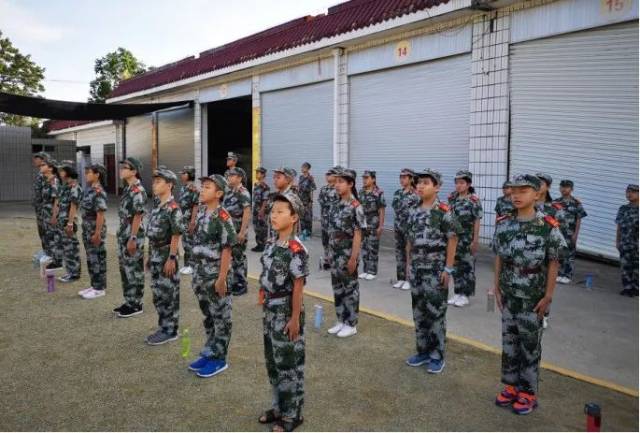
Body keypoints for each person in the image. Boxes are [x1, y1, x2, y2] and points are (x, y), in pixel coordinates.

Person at [493, 174, 566, 415]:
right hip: (510, 292)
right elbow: (500, 257)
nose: (516, 195)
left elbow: (554, 263)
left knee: (530, 345)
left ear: (537, 194)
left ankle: (528, 392)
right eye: (513, 190)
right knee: (510, 342)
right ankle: (512, 386)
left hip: (533, 296)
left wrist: (548, 296)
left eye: (523, 191)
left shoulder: (547, 225)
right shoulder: (504, 223)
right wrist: (497, 288)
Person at [257, 193, 308, 432]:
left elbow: (298, 287)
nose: (273, 215)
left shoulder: (296, 250)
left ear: (294, 216)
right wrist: (261, 293)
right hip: (270, 312)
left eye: (280, 211)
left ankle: (292, 414)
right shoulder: (271, 244)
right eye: (272, 211)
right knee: (273, 363)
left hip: (286, 313)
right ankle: (278, 407)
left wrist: (295, 318)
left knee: (290, 366)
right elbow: (266, 273)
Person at [405, 169, 460, 374]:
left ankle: (437, 355)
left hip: (436, 270)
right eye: (418, 183)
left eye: (426, 183)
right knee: (419, 311)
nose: (420, 186)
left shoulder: (444, 211)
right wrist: (409, 264)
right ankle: (423, 351)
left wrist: (448, 268)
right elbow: (410, 240)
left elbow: (453, 239)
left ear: (437, 187)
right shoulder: (414, 210)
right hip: (417, 268)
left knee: (435, 313)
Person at [187, 174, 236, 378]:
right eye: (202, 187)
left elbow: (227, 249)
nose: (202, 190)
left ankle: (219, 358)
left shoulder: (223, 217)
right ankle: (210, 350)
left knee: (221, 317)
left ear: (219, 194)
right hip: (200, 274)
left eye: (207, 187)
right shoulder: (201, 213)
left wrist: (222, 278)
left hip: (216, 275)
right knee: (208, 316)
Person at [145, 168, 184, 345]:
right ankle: (163, 326)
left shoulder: (172, 208)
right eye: (154, 182)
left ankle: (171, 330)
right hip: (155, 254)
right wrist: (149, 255)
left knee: (168, 294)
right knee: (158, 294)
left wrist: (172, 258)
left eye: (159, 182)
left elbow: (176, 235)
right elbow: (152, 235)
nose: (155, 184)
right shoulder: (157, 206)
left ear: (169, 185)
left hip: (166, 256)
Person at [326, 168, 366, 338]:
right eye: (336, 182)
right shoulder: (335, 204)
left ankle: (351, 323)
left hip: (347, 253)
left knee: (350, 288)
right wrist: (329, 252)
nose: (337, 185)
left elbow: (358, 233)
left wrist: (354, 258)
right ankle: (341, 319)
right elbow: (332, 230)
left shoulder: (355, 206)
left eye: (341, 182)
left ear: (350, 184)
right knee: (337, 287)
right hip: (335, 253)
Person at [114, 157, 148, 318]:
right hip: (124, 232)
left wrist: (133, 238)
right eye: (121, 167)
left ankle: (136, 304)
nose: (121, 170)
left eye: (125, 168)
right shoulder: (128, 188)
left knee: (134, 269)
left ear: (134, 171)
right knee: (125, 269)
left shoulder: (137, 190)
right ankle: (129, 300)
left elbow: (137, 216)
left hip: (132, 233)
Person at [447, 170, 483, 308]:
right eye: (456, 183)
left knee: (467, 266)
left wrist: (475, 240)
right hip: (454, 238)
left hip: (467, 238)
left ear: (468, 184)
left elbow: (477, 221)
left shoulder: (473, 200)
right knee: (455, 265)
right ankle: (457, 292)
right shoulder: (452, 198)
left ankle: (466, 295)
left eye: (461, 183)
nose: (458, 186)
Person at [534, 173, 565, 328]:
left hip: (548, 253)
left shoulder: (555, 209)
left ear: (548, 187)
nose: (538, 186)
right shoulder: (528, 205)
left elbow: (561, 233)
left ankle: (545, 313)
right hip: (529, 251)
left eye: (541, 183)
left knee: (547, 282)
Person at [78, 163, 108, 300]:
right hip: (87, 227)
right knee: (91, 258)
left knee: (97, 258)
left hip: (94, 228)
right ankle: (94, 284)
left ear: (97, 175)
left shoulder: (98, 192)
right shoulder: (89, 189)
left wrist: (97, 233)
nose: (86, 174)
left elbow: (100, 214)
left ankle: (99, 288)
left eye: (89, 172)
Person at [223, 167, 251, 296]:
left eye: (232, 175)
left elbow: (246, 212)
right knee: (232, 257)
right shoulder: (229, 191)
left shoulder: (242, 192)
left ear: (239, 178)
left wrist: (242, 232)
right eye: (229, 175)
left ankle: (241, 284)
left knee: (238, 258)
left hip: (238, 230)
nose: (229, 177)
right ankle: (234, 281)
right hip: (229, 230)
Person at [553, 180, 587, 284]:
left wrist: (576, 234)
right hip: (558, 232)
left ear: (571, 189)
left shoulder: (576, 203)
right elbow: (551, 217)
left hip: (569, 233)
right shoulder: (555, 202)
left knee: (569, 255)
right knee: (558, 253)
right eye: (562, 187)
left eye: (567, 187)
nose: (564, 189)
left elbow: (579, 219)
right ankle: (558, 273)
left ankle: (567, 275)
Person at [392, 168, 420, 291]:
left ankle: (410, 279)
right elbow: (395, 208)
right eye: (401, 177)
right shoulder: (398, 192)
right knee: (399, 253)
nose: (402, 180)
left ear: (411, 179)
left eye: (404, 177)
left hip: (410, 228)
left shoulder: (416, 194)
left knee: (410, 253)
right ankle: (401, 278)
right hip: (399, 226)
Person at [56, 160, 83, 283]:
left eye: (62, 170)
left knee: (72, 248)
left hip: (69, 222)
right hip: (63, 221)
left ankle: (75, 273)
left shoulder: (75, 187)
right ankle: (70, 271)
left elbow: (73, 206)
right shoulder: (65, 186)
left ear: (68, 172)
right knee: (67, 248)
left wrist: (70, 223)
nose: (60, 172)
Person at [358, 170, 386, 280]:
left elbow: (381, 210)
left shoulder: (378, 193)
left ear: (373, 179)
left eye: (367, 178)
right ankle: (365, 270)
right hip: (363, 224)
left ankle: (372, 271)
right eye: (363, 178)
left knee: (372, 248)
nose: (364, 180)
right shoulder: (361, 192)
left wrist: (381, 226)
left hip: (374, 223)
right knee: (364, 248)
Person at [40, 158, 64, 270]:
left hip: (52, 214)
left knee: (55, 237)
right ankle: (52, 258)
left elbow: (57, 200)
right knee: (48, 237)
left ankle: (58, 261)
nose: (41, 166)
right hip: (46, 214)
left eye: (43, 165)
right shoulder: (47, 180)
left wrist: (54, 216)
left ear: (51, 168)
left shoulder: (54, 181)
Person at [616, 184, 639, 297]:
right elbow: (619, 226)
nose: (629, 194)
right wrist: (617, 241)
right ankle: (627, 287)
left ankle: (636, 288)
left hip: (637, 244)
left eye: (633, 192)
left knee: (637, 267)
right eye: (628, 191)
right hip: (625, 243)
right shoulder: (623, 209)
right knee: (625, 266)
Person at [178, 166, 199, 275]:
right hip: (184, 219)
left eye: (184, 173)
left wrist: (192, 222)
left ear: (189, 174)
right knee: (185, 243)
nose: (181, 175)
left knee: (190, 243)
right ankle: (187, 265)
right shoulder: (184, 187)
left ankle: (192, 265)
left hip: (189, 220)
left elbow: (195, 206)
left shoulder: (193, 188)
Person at [317, 167, 340, 270]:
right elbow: (321, 202)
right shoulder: (323, 189)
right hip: (325, 220)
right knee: (325, 241)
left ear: (335, 176)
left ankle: (335, 260)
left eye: (329, 174)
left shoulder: (339, 189)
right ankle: (327, 259)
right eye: (327, 174)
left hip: (335, 221)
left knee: (334, 241)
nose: (327, 176)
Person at [267, 167, 296, 239]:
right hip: (274, 236)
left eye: (278, 178)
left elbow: (295, 221)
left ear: (287, 180)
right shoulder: (275, 195)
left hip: (285, 239)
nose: (275, 180)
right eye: (274, 177)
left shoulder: (292, 198)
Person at [32, 152, 50, 251]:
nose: (34, 160)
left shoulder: (45, 174)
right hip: (40, 208)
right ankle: (46, 251)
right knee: (42, 231)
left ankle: (50, 254)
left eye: (37, 158)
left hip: (45, 209)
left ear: (43, 159)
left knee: (46, 231)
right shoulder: (40, 174)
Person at [251, 167, 271, 252]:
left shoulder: (265, 187)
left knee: (262, 227)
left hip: (261, 210)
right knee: (256, 227)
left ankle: (263, 245)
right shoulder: (256, 185)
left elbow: (265, 200)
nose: (257, 174)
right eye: (256, 173)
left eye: (258, 173)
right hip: (255, 209)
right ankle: (259, 244)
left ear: (263, 175)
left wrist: (262, 210)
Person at [297, 162, 317, 241]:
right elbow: (299, 188)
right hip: (300, 200)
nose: (302, 169)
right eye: (302, 167)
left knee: (308, 218)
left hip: (307, 201)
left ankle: (308, 233)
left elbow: (312, 190)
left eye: (303, 167)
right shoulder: (301, 177)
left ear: (308, 169)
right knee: (301, 217)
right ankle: (303, 233)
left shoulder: (310, 178)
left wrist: (311, 201)